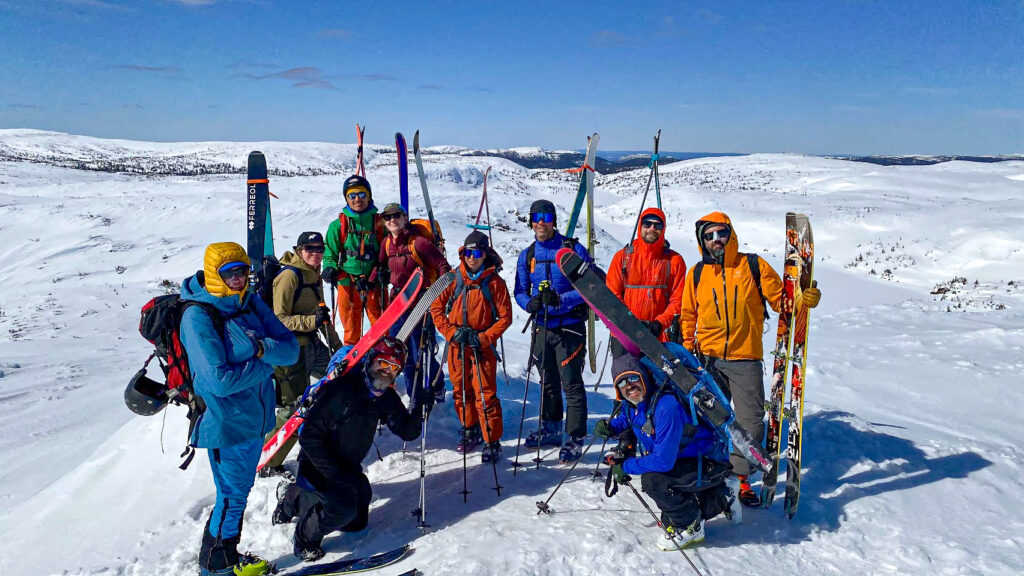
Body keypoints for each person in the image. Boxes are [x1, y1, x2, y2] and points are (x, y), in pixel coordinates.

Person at [679, 211, 821, 506]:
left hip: (745, 358)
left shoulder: (752, 265)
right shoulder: (696, 274)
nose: (716, 240)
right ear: (701, 241)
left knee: (750, 424)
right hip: (707, 359)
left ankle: (739, 477)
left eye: (721, 233)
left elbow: (782, 302)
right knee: (708, 420)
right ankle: (709, 473)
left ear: (730, 234)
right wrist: (687, 349)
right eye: (709, 236)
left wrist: (804, 299)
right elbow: (689, 314)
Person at [178, 242, 299, 576]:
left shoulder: (249, 301)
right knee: (231, 498)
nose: (238, 278)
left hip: (254, 418)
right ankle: (216, 568)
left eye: (243, 270)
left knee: (237, 495)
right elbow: (218, 382)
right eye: (229, 273)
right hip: (225, 422)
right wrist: (265, 362)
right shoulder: (198, 316)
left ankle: (223, 559)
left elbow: (290, 351)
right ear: (214, 275)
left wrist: (260, 348)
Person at [272, 337, 424, 561]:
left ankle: (295, 495)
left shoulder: (384, 397)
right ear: (370, 362)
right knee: (341, 509)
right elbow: (309, 437)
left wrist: (420, 405)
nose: (386, 372)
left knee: (357, 521)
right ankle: (304, 539)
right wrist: (334, 473)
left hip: (347, 466)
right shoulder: (341, 391)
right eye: (382, 364)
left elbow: (407, 431)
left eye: (393, 369)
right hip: (319, 463)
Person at [594, 351, 737, 550]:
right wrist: (611, 427)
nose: (629, 386)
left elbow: (663, 462)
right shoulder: (635, 404)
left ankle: (693, 525)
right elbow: (631, 417)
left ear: (644, 377)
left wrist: (625, 466)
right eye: (622, 383)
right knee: (668, 515)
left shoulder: (666, 407)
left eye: (634, 378)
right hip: (686, 460)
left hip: (709, 462)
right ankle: (723, 494)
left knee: (654, 481)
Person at [513, 199, 593, 463]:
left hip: (569, 327)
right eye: (536, 217)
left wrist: (561, 300)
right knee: (547, 381)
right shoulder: (528, 255)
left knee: (571, 383)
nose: (541, 222)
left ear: (554, 220)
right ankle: (551, 427)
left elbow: (589, 287)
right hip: (542, 327)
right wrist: (530, 304)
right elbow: (520, 292)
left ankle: (575, 436)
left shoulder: (572, 250)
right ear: (530, 221)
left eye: (546, 216)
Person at [261, 232, 342, 478]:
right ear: (299, 250)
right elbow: (279, 319)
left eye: (320, 248)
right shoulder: (289, 277)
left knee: (338, 381)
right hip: (290, 350)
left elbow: (321, 315)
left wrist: (339, 351)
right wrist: (311, 320)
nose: (315, 253)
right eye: (309, 248)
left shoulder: (313, 272)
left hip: (311, 345)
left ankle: (329, 437)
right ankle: (269, 461)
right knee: (295, 407)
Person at [430, 231, 513, 461]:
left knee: (485, 394)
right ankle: (469, 429)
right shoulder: (454, 278)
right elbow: (436, 309)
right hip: (457, 344)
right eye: (468, 252)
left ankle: (491, 440)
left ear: (485, 254)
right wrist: (451, 333)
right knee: (461, 390)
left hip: (481, 347)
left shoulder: (494, 282)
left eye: (476, 253)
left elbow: (506, 318)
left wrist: (484, 338)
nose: (472, 257)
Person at [375, 202, 451, 406]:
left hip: (420, 304)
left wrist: (435, 294)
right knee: (401, 352)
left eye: (396, 215)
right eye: (388, 217)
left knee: (421, 352)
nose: (392, 220)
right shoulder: (387, 244)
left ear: (405, 217)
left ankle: (436, 385)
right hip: (397, 305)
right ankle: (415, 397)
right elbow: (381, 265)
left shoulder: (418, 243)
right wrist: (377, 276)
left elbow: (444, 268)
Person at [606, 207, 686, 356]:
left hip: (659, 336)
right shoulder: (623, 258)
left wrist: (659, 324)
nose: (652, 228)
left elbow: (678, 301)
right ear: (640, 226)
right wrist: (628, 322)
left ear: (664, 229)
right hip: (624, 335)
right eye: (647, 224)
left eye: (658, 225)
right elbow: (611, 295)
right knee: (628, 378)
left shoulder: (675, 261)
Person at [321, 175, 386, 346]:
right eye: (352, 195)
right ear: (347, 199)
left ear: (369, 196)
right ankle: (353, 363)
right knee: (350, 330)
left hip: (374, 283)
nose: (357, 199)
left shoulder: (380, 223)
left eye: (362, 195)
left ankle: (381, 364)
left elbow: (388, 252)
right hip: (347, 282)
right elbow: (330, 253)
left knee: (381, 327)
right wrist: (329, 267)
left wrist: (385, 270)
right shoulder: (338, 225)